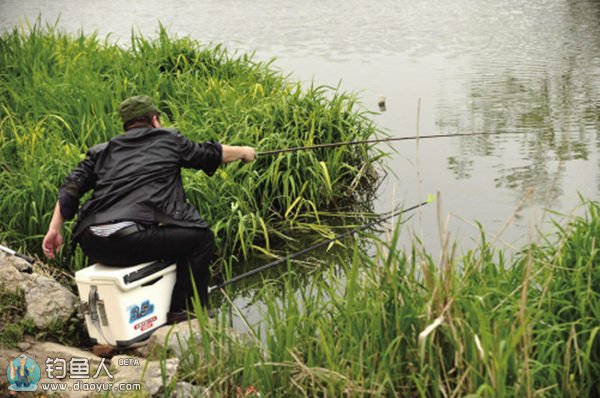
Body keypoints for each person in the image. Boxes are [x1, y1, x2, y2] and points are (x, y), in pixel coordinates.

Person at [42, 95, 256, 323]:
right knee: (201, 239)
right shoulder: (168, 139)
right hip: (129, 240)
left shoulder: (102, 151)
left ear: (127, 124)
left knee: (161, 239)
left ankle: (149, 308)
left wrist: (55, 229)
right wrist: (244, 152)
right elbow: (209, 154)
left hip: (92, 242)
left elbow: (70, 189)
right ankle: (186, 312)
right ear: (154, 119)